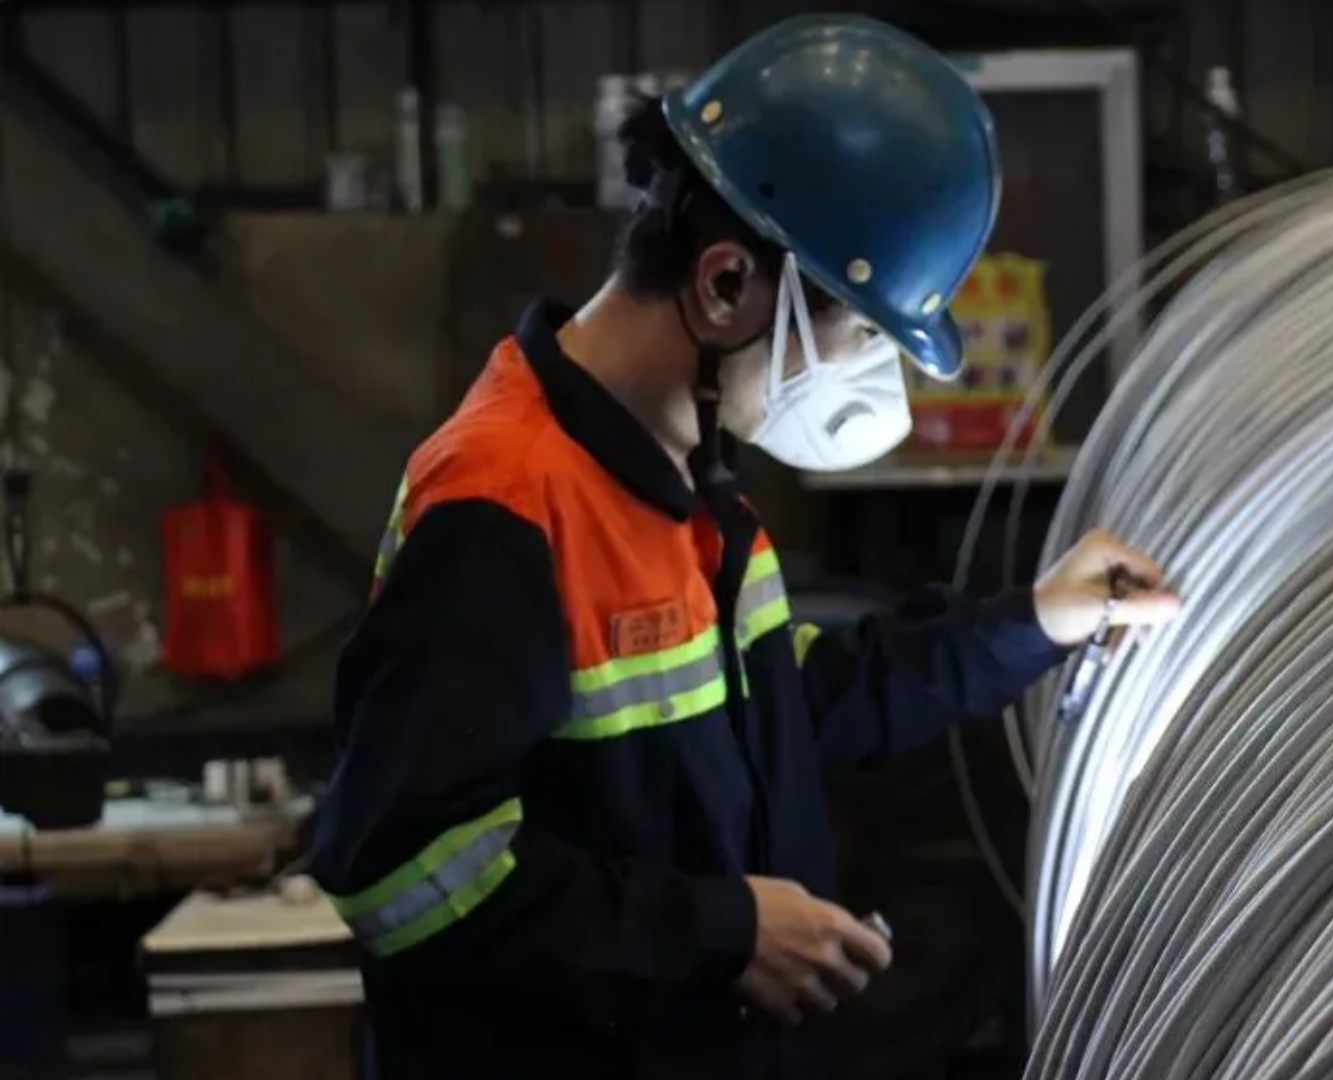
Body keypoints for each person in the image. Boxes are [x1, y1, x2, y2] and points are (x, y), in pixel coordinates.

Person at [303, 13, 1179, 1080]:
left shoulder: (686, 477)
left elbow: (787, 706)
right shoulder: (507, 505)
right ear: (725, 284)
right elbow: (397, 872)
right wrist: (724, 933)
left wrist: (1033, 622)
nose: (871, 378)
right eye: (863, 334)